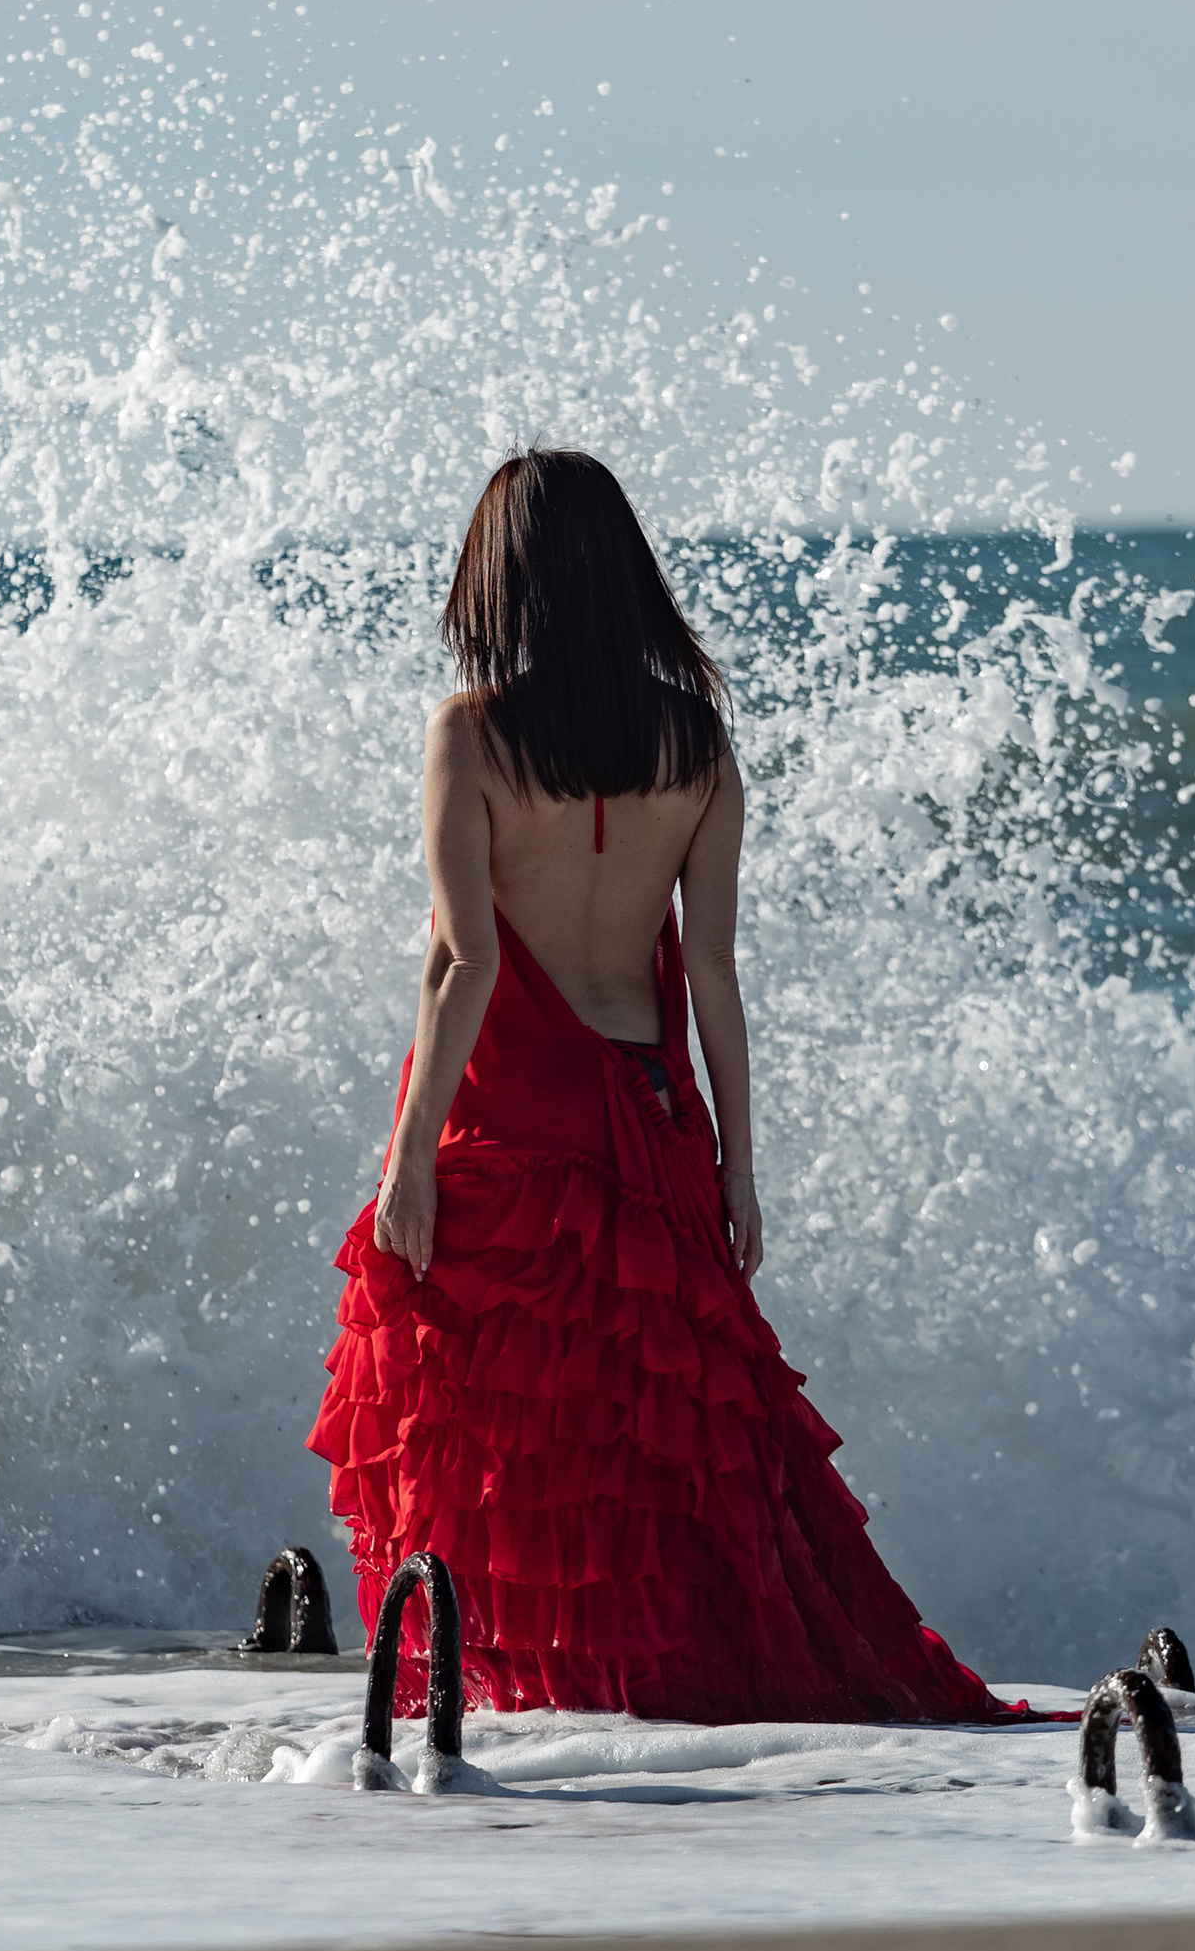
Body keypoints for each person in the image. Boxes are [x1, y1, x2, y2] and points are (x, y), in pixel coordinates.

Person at [308, 449, 1029, 1725]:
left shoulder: (470, 733)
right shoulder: (694, 740)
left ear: (501, 579)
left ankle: (530, 1709)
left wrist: (408, 1158)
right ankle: (658, 1703)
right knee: (651, 1447)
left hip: (509, 1129)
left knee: (500, 1452)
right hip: (650, 1129)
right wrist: (739, 1171)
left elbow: (464, 960)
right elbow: (710, 973)